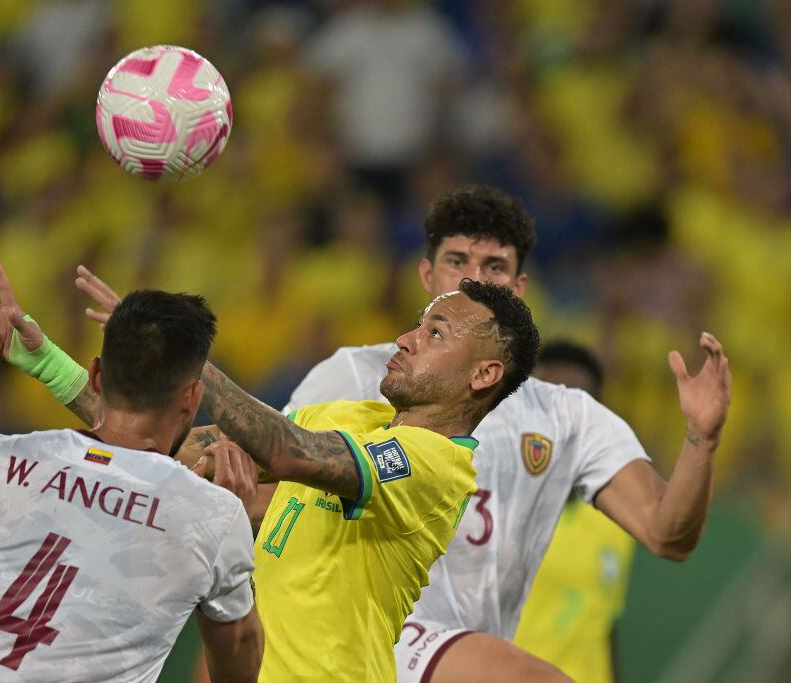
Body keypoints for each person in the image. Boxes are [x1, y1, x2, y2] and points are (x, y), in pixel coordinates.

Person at [0, 263, 541, 682]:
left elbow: (289, 452)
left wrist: (182, 353)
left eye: (435, 333)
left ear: (484, 374)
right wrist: (51, 365)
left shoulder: (440, 465)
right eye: (418, 324)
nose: (406, 339)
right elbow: (162, 445)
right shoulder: (345, 418)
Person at [282, 184, 732, 683]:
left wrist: (701, 439)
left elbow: (669, 535)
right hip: (357, 652)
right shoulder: (352, 375)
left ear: (518, 288)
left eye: (494, 267)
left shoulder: (564, 417)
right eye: (456, 261)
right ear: (426, 275)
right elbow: (267, 494)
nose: (474, 279)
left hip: (473, 657)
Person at [0, 262, 263, 683]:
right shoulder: (212, 515)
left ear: (96, 375)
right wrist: (234, 551)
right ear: (191, 398)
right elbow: (239, 668)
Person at [512, 341, 636, 683]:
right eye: (550, 404)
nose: (562, 421)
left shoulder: (614, 521)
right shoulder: (488, 508)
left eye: (577, 406)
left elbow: (604, 625)